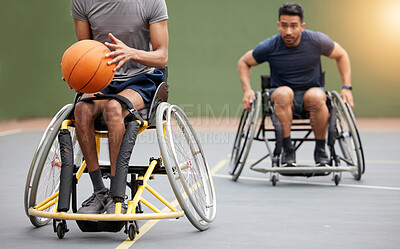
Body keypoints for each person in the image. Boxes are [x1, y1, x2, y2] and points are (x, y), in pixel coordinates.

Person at [69, 0, 168, 214]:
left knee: (114, 108)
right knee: (81, 110)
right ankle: (99, 192)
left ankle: (117, 193)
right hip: (103, 79)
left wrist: (132, 53)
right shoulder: (82, 2)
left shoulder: (151, 2)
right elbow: (84, 51)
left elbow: (162, 56)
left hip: (141, 78)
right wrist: (75, 74)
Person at [237, 2, 353, 166]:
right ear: (278, 26)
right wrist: (246, 89)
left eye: (293, 26)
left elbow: (341, 55)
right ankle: (287, 149)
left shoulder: (316, 40)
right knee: (284, 93)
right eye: (284, 26)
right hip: (283, 99)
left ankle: (320, 149)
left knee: (317, 96)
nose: (288, 31)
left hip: (311, 97)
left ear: (302, 26)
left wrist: (346, 87)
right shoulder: (270, 46)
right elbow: (244, 61)